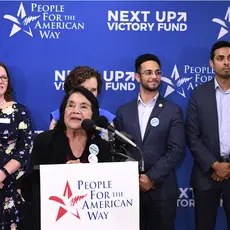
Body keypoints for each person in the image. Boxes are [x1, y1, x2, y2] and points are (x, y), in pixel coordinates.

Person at [21, 86, 112, 230]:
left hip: (89, 221)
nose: (75, 110)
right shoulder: (45, 140)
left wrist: (87, 173)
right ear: (64, 111)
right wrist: (62, 173)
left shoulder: (102, 147)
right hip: (48, 219)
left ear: (93, 114)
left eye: (83, 107)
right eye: (71, 105)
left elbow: (108, 191)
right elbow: (29, 184)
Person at [114, 54, 185, 230]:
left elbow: (176, 150)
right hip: (129, 190)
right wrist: (135, 177)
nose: (154, 76)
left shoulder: (172, 110)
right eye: (148, 72)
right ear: (137, 77)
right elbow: (118, 150)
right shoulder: (124, 111)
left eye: (157, 72)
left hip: (162, 191)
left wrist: (151, 178)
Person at [185, 40, 230, 230]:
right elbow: (192, 136)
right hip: (206, 174)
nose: (226, 62)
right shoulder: (198, 94)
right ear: (212, 63)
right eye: (220, 58)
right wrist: (215, 165)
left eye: (229, 58)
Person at [0, 62, 34, 230]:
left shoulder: (20, 112)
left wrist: (2, 174)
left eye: (3, 77)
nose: (0, 81)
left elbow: (25, 149)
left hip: (11, 187)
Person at [49, 66, 115, 132]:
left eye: (93, 90)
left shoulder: (105, 118)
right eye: (84, 89)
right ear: (72, 90)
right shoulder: (59, 115)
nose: (89, 94)